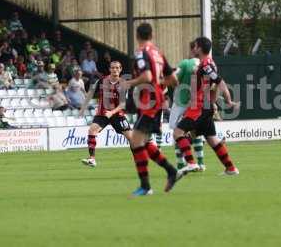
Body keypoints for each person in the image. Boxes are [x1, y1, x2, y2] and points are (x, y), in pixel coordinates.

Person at [123, 23, 182, 196]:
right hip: (156, 99)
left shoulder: (141, 52)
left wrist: (130, 82)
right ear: (152, 34)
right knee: (143, 142)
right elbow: (174, 81)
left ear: (137, 35)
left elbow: (147, 76)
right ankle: (171, 171)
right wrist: (159, 83)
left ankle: (146, 186)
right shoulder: (158, 53)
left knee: (135, 141)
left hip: (149, 100)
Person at [173, 37, 241, 176]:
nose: (193, 49)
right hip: (205, 106)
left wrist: (228, 100)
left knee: (178, 132)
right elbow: (213, 85)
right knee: (212, 139)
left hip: (199, 107)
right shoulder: (208, 63)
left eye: (195, 46)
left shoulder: (205, 65)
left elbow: (220, 82)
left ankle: (191, 163)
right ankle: (231, 168)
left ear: (199, 48)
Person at [81, 61, 133, 168]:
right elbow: (91, 92)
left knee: (131, 138)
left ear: (120, 69)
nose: (115, 70)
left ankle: (138, 158)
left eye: (117, 68)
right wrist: (84, 105)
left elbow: (122, 104)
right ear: (109, 69)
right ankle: (92, 159)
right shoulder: (101, 81)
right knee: (92, 130)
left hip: (117, 114)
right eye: (113, 68)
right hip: (102, 114)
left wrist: (112, 112)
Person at [169, 41, 205, 171]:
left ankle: (181, 163)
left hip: (180, 103)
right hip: (197, 104)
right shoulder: (205, 63)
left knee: (177, 133)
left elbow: (174, 78)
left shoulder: (185, 63)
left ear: (192, 50)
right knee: (196, 132)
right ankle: (201, 163)